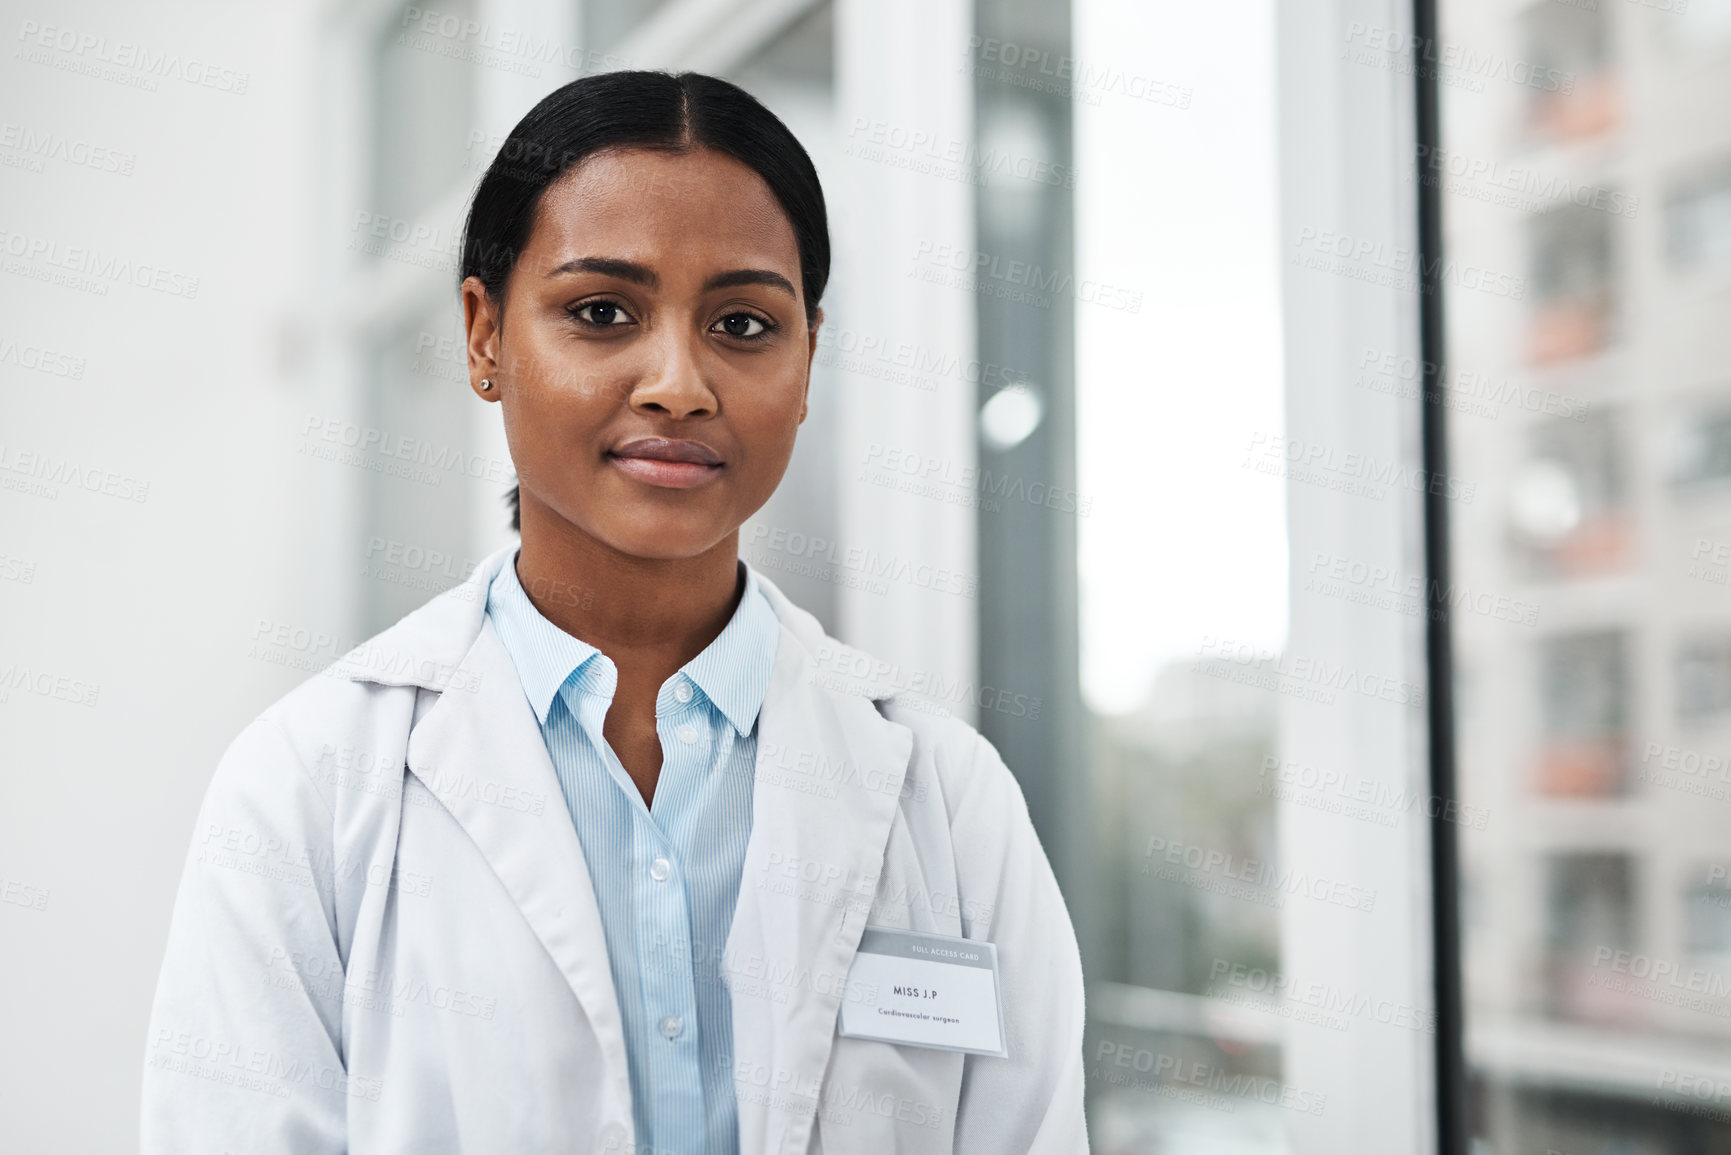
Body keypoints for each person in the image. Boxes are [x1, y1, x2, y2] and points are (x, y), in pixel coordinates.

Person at [141, 70, 1087, 1154]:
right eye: (601, 312)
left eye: (742, 322)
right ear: (485, 334)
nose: (679, 383)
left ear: (809, 357)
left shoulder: (951, 804)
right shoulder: (310, 787)